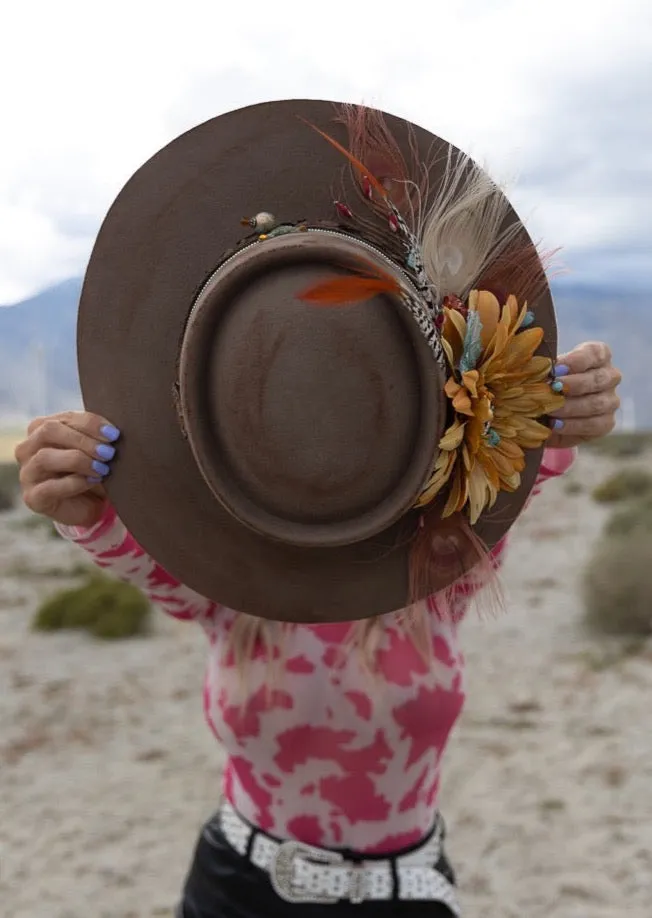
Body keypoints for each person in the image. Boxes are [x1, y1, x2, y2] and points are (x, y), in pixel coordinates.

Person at [14, 339, 621, 917]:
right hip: (236, 892)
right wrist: (78, 504)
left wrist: (561, 407)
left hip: (408, 891)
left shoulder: (435, 577)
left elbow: (517, 470)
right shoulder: (228, 586)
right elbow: (128, 546)